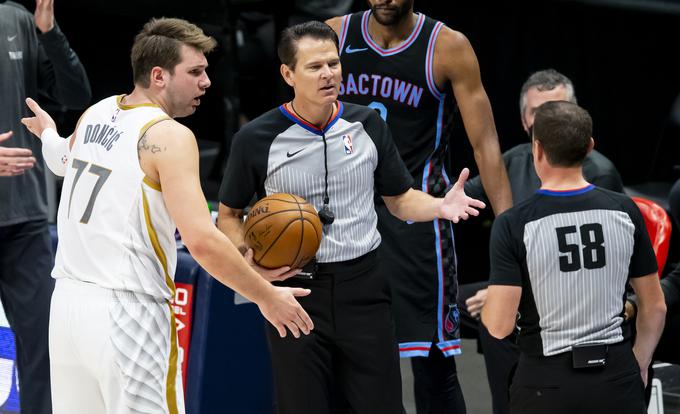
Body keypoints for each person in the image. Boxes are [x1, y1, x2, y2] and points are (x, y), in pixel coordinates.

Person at [20, 17, 314, 414]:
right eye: (195, 71)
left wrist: (49, 135)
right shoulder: (169, 136)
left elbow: (62, 160)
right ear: (158, 75)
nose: (206, 82)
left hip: (67, 309)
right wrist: (266, 298)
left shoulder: (97, 112)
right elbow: (201, 241)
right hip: (128, 313)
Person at [217, 21, 486, 414]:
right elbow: (229, 215)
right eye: (314, 67)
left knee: (381, 405)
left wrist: (439, 206)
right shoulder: (257, 138)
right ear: (288, 74)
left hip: (364, 286)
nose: (328, 74)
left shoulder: (368, 124)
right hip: (296, 291)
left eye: (334, 63)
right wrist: (248, 258)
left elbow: (399, 199)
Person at [325, 2, 512, 412]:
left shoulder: (447, 47)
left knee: (434, 366)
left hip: (418, 220)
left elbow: (485, 144)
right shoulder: (333, 35)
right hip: (344, 217)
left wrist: (511, 230)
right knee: (343, 363)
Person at [481, 100, 666, 414]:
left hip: (545, 383)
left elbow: (499, 326)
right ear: (590, 147)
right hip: (616, 377)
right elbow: (655, 305)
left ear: (536, 150)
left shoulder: (514, 224)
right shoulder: (625, 209)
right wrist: (640, 362)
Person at [459, 68, 626, 414]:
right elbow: (464, 199)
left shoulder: (599, 176)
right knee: (439, 298)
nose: (550, 120)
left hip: (577, 297)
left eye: (558, 109)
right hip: (519, 289)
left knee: (497, 323)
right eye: (539, 112)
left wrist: (508, 294)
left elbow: (590, 270)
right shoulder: (512, 161)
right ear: (524, 121)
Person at [0, 1, 91, 413]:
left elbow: (75, 95)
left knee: (44, 350)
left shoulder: (15, 17)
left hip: (27, 219)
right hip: (25, 217)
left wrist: (49, 32)